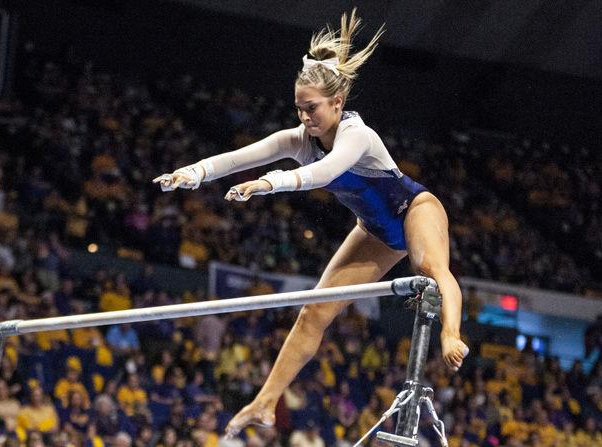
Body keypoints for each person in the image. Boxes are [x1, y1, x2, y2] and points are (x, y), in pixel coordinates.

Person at [153, 8, 468, 436]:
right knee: (313, 312)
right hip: (374, 232)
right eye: (300, 109)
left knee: (430, 270)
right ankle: (264, 402)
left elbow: (324, 173)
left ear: (337, 103)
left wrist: (269, 183)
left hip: (414, 209)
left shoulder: (359, 135)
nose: (305, 118)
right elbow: (238, 156)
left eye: (313, 108)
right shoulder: (301, 139)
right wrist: (193, 173)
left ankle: (450, 333)